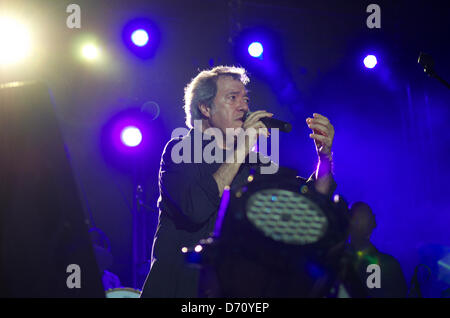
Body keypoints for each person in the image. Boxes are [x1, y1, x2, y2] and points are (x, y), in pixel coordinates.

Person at [140, 66, 336, 297]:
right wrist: (243, 145)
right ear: (205, 108)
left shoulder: (254, 164)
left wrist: (325, 158)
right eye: (232, 98)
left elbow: (311, 203)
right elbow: (196, 209)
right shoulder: (180, 150)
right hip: (181, 290)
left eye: (245, 99)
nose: (244, 106)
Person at [346, 201, 408, 297]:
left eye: (362, 218)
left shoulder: (388, 264)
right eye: (355, 219)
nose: (359, 223)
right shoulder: (336, 259)